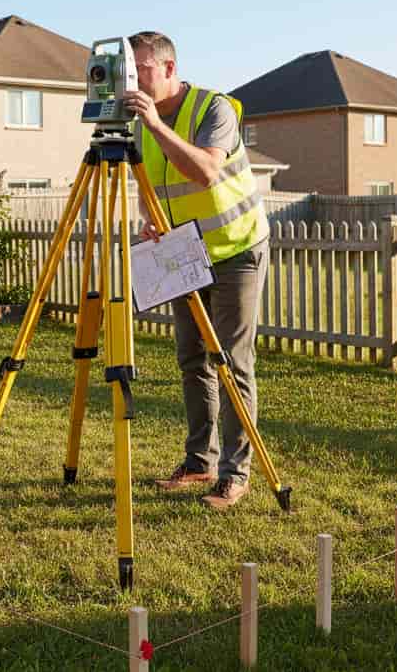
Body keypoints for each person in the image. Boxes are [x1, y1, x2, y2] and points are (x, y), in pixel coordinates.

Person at [121, 31, 269, 511]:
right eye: (130, 69)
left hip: (237, 248)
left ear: (168, 68)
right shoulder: (141, 123)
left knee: (231, 363)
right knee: (192, 360)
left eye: (141, 69)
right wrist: (148, 216)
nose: (134, 78)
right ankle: (199, 460)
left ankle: (235, 473)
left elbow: (204, 171)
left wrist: (154, 123)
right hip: (187, 255)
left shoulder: (214, 109)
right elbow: (147, 178)